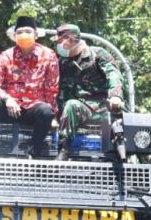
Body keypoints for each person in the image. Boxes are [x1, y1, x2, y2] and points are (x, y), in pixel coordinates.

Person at [0, 16, 59, 157]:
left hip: (33, 109)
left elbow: (51, 87)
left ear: (35, 34)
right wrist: (7, 98)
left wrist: (54, 115)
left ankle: (34, 149)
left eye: (28, 31)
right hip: (9, 108)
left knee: (46, 111)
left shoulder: (48, 55)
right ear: (14, 36)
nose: (24, 35)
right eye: (20, 32)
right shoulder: (6, 56)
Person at [51, 23, 124, 160]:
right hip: (82, 107)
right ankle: (63, 150)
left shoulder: (96, 54)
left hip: (105, 106)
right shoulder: (64, 63)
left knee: (121, 126)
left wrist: (115, 96)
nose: (58, 46)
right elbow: (60, 92)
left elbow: (113, 74)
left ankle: (118, 153)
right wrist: (55, 115)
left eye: (60, 42)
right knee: (71, 105)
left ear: (70, 40)